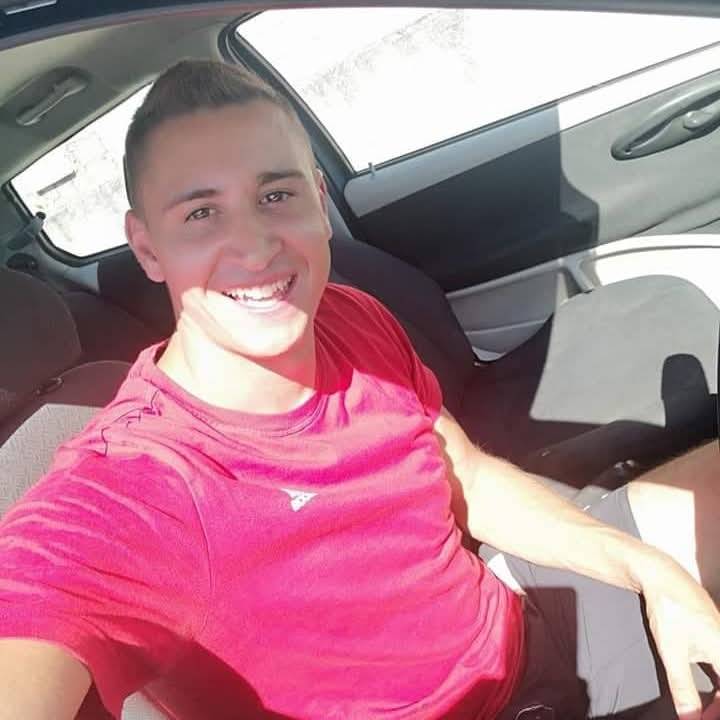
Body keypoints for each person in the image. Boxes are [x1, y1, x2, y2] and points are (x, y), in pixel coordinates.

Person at [0, 59, 718, 720]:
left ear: (319, 200)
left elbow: (465, 476)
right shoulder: (133, 489)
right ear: (147, 247)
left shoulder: (350, 317)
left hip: (521, 618)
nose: (255, 246)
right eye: (201, 213)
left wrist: (646, 568)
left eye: (275, 195)